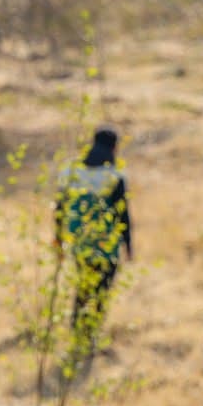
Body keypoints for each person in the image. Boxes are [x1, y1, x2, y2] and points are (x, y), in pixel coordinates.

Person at [55, 126, 133, 355]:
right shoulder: (114, 176)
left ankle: (78, 334)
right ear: (113, 147)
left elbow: (59, 210)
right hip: (106, 245)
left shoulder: (71, 172)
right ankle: (90, 336)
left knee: (83, 287)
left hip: (80, 243)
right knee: (101, 290)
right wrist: (128, 245)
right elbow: (123, 214)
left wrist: (58, 240)